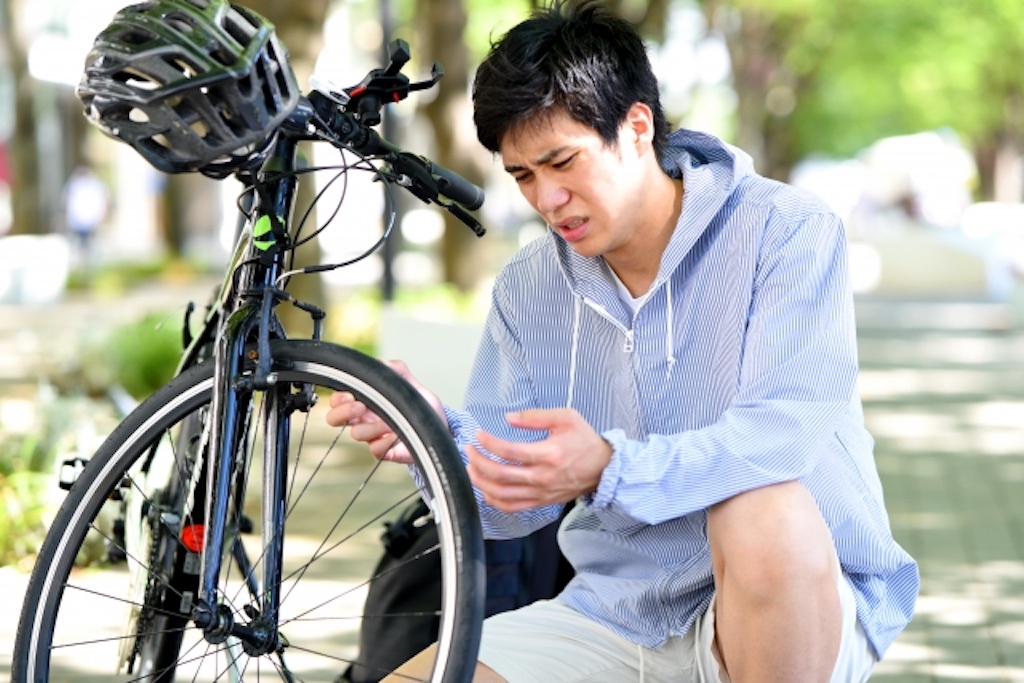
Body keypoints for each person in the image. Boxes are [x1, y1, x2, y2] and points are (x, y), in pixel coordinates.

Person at [326, 1, 919, 681]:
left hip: (791, 597)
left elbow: (779, 441)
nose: (546, 199)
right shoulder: (529, 284)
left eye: (561, 161)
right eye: (523, 175)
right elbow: (515, 504)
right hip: (619, 613)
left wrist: (608, 467)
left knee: (759, 502)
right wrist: (429, 436)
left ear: (637, 127)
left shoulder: (786, 232)